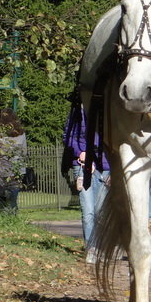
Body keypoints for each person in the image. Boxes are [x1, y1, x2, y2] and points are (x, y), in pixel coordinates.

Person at [62, 102, 110, 263]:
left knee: (101, 211)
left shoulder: (108, 109)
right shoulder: (77, 111)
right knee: (88, 210)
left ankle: (103, 247)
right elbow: (68, 136)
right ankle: (92, 248)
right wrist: (81, 152)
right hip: (82, 165)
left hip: (105, 165)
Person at [0, 108, 28, 213]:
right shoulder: (21, 134)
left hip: (0, 170)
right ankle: (13, 217)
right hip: (16, 171)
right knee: (13, 200)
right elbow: (23, 153)